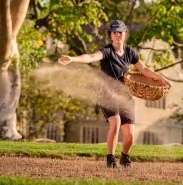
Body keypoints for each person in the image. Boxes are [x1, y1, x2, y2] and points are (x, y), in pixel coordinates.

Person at [58, 20, 172, 168]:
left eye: (121, 32)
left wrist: (162, 79)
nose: (118, 34)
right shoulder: (107, 51)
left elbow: (144, 69)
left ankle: (124, 157)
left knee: (130, 137)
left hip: (125, 97)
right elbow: (90, 57)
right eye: (114, 32)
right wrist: (73, 59)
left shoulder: (130, 52)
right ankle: (110, 159)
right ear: (111, 35)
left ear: (126, 34)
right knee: (116, 122)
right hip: (107, 95)